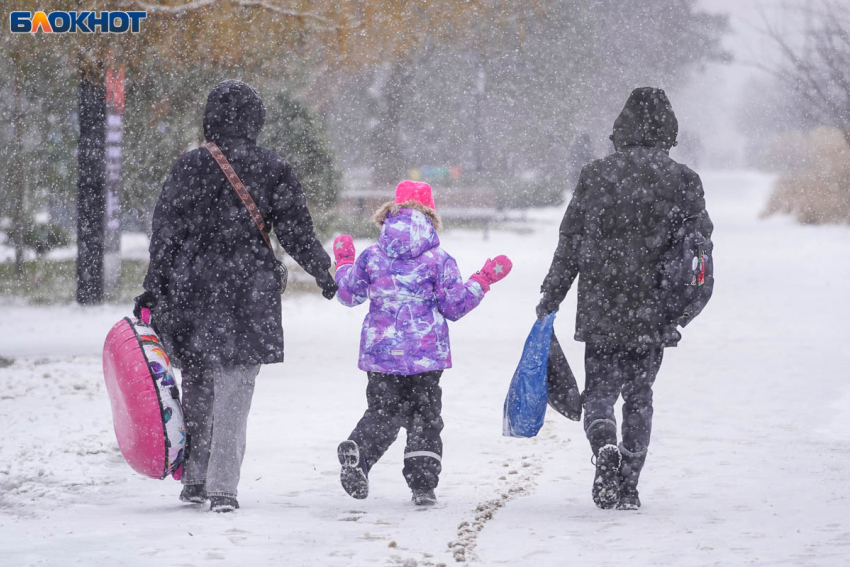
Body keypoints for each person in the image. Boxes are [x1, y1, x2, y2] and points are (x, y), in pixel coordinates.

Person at [134, 80, 337, 513]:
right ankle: (223, 487)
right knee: (235, 389)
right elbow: (296, 232)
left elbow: (165, 234)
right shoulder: (273, 167)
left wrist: (155, 285)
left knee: (198, 383)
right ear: (255, 120)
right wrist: (323, 270)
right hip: (248, 291)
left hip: (193, 290)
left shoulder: (189, 166)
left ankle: (195, 479)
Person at [536, 87, 713, 510]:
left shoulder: (596, 175)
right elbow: (699, 249)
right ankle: (629, 483)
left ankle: (603, 446)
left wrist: (552, 293)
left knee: (598, 392)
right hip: (654, 308)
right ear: (668, 130)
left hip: (602, 304)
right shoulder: (684, 180)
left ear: (621, 128)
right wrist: (682, 308)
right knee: (639, 394)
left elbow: (570, 241)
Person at [332, 181, 512, 506]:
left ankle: (361, 450)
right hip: (425, 354)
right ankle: (423, 485)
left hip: (382, 353)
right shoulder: (439, 259)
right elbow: (454, 306)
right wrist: (482, 279)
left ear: (391, 211)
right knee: (425, 417)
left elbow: (349, 295)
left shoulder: (372, 255)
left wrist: (344, 261)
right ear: (431, 214)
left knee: (383, 410)